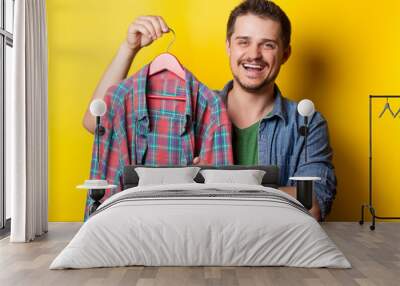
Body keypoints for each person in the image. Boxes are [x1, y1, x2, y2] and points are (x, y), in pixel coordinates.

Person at [82, 0, 337, 221]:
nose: (254, 54)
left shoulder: (307, 122)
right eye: (243, 42)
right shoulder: (196, 106)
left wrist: (219, 181)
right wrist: (129, 49)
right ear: (228, 46)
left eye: (268, 44)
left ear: (285, 54)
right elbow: (97, 123)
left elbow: (313, 205)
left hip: (273, 251)